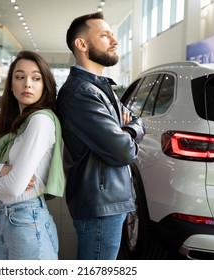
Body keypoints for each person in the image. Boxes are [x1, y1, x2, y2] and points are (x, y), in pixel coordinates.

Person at [56, 12, 145, 260]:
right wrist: (128, 131)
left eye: (113, 35)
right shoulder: (80, 92)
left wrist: (130, 128)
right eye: (105, 36)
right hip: (99, 205)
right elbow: (122, 151)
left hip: (108, 200)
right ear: (81, 44)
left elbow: (138, 120)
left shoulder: (100, 87)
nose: (115, 41)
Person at [0, 50, 65, 260]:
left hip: (27, 220)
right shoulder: (12, 126)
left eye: (36, 78)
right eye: (20, 77)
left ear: (45, 85)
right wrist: (3, 170)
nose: (27, 84)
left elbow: (14, 187)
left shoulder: (40, 121)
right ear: (11, 85)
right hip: (0, 217)